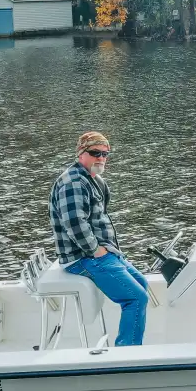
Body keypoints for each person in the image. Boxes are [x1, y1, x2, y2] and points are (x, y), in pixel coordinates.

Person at [49, 131, 149, 346]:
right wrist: (97, 251)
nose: (101, 158)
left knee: (142, 284)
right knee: (136, 298)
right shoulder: (73, 183)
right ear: (81, 153)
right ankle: (127, 355)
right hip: (85, 256)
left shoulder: (94, 180)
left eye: (105, 153)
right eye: (95, 153)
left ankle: (131, 345)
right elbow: (75, 224)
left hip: (103, 253)